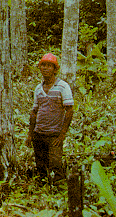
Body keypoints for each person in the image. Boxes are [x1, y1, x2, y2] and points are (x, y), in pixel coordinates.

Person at [26, 53, 74, 182]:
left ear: (55, 69)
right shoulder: (38, 89)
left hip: (54, 135)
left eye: (49, 66)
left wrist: (62, 135)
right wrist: (30, 135)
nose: (45, 68)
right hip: (39, 134)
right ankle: (42, 188)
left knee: (55, 165)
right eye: (43, 65)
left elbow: (69, 111)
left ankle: (58, 188)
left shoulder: (63, 87)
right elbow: (34, 112)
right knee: (41, 166)